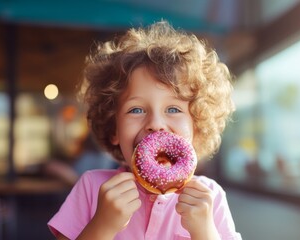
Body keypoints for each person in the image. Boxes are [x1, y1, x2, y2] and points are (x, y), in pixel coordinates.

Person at [48, 21, 242, 240]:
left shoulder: (209, 198)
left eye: (173, 108)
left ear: (196, 126)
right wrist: (102, 225)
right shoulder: (93, 188)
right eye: (136, 109)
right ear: (114, 128)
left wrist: (205, 232)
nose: (156, 123)